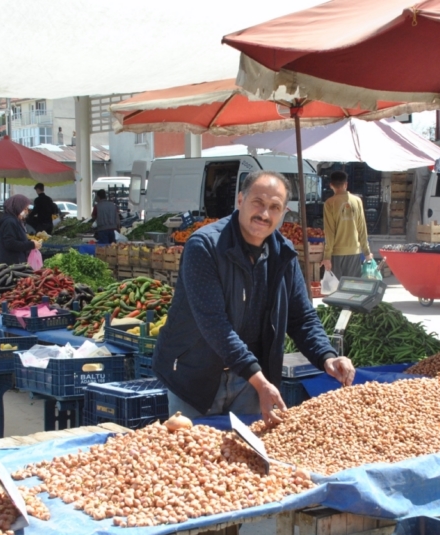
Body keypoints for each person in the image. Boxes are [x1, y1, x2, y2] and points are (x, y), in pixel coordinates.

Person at [152, 170, 354, 426]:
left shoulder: (284, 254)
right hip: (196, 376)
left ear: (283, 213)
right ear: (240, 200)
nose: (265, 214)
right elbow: (215, 325)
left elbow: (301, 317)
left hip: (250, 382)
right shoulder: (204, 247)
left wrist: (327, 356)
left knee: (243, 460)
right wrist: (260, 381)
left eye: (274, 207)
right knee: (192, 457)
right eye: (258, 203)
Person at [321, 171, 372, 279]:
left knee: (337, 290)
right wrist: (367, 252)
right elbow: (362, 228)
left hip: (337, 253)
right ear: (346, 184)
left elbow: (329, 232)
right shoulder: (357, 201)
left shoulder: (329, 203)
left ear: (331, 185)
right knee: (352, 289)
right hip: (354, 251)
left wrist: (327, 257)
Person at [0, 194, 41, 265]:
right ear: (18, 207)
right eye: (25, 209)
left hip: (15, 262)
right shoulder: (10, 222)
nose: (27, 212)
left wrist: (29, 241)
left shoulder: (14, 220)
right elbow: (10, 243)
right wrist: (31, 244)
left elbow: (17, 239)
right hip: (10, 264)